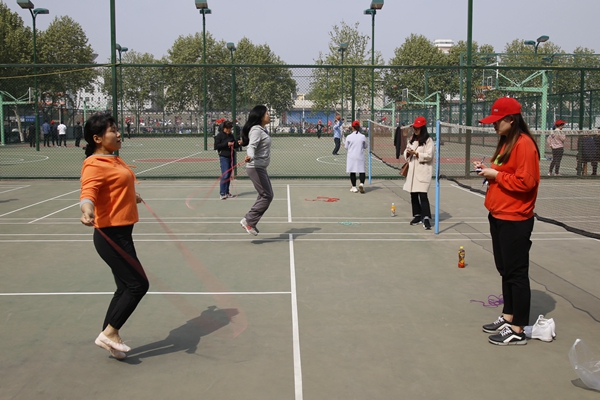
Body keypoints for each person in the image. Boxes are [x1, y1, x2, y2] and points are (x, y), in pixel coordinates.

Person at [79, 112, 149, 360]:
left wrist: (131, 196)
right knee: (138, 285)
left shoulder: (113, 159)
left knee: (123, 287)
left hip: (122, 233)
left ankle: (109, 339)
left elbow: (115, 185)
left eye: (118, 129)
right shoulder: (94, 164)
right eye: (112, 130)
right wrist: (87, 211)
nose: (119, 134)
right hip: (110, 236)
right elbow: (88, 193)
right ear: (97, 138)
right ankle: (110, 333)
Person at [474, 97, 540, 346]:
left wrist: (496, 175)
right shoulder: (506, 143)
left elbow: (526, 182)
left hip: (515, 218)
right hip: (498, 214)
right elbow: (505, 173)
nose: (493, 125)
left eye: (497, 121)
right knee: (505, 269)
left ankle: (518, 328)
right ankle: (508, 315)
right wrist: (488, 170)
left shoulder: (525, 145)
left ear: (511, 120)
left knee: (517, 273)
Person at [239, 105, 273, 236]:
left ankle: (250, 221)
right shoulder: (256, 130)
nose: (269, 115)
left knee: (265, 195)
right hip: (255, 167)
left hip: (260, 167)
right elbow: (251, 146)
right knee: (267, 195)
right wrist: (250, 156)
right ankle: (248, 220)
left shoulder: (262, 130)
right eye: (267, 113)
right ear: (260, 116)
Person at [403, 116, 434, 230]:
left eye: (418, 128)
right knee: (413, 194)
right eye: (414, 128)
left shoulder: (428, 141)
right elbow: (405, 153)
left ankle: (426, 218)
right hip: (412, 171)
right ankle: (417, 215)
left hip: (423, 172)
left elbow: (429, 156)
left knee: (423, 195)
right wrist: (408, 152)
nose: (415, 130)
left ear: (423, 128)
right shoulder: (412, 139)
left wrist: (417, 154)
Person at [214, 120, 242, 199]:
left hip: (231, 156)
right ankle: (222, 193)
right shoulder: (219, 136)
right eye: (228, 128)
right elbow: (216, 146)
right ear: (224, 128)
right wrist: (226, 144)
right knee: (225, 175)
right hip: (224, 157)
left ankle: (227, 192)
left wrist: (238, 143)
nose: (229, 130)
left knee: (229, 175)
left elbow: (234, 144)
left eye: (230, 128)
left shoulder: (231, 135)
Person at [346, 120, 367, 193]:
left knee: (352, 171)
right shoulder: (363, 136)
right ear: (359, 127)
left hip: (351, 156)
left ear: (352, 127)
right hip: (360, 155)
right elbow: (365, 146)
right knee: (362, 170)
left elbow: (346, 147)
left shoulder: (349, 137)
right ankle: (361, 184)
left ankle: (354, 187)